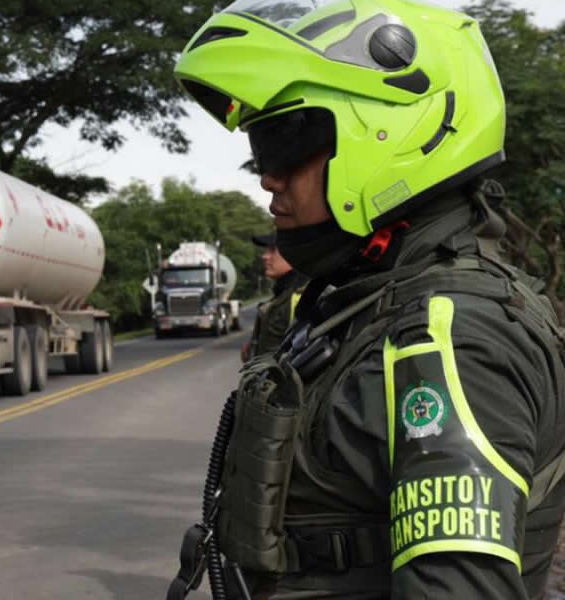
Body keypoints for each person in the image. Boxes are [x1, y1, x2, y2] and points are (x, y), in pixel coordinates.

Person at [165, 1, 565, 598]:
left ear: (390, 136)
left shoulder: (449, 336)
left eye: (283, 143)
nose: (267, 177)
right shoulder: (365, 305)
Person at [242, 231, 308, 362]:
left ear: (292, 252)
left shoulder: (300, 298)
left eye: (272, 250)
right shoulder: (282, 294)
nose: (265, 256)